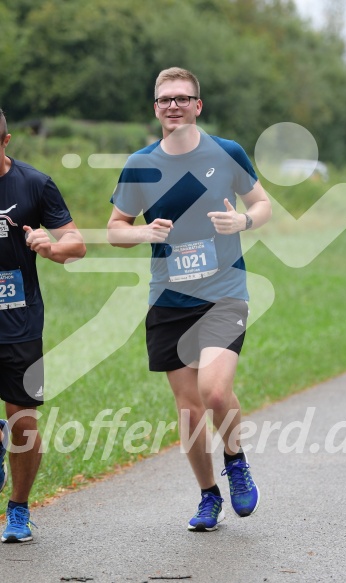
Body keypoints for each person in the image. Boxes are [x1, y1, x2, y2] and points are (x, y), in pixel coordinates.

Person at [107, 67, 272, 531]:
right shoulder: (141, 164)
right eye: (165, 99)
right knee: (190, 412)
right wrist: (144, 230)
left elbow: (262, 204)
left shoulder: (227, 152)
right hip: (169, 299)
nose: (173, 105)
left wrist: (243, 223)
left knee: (214, 391)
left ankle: (236, 461)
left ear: (198, 105)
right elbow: (116, 229)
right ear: (155, 107)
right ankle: (208, 496)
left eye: (183, 98)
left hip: (223, 295)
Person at [0, 108, 86, 542]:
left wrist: (50, 248)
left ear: (6, 141)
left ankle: (18, 509)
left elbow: (78, 245)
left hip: (19, 321)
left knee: (22, 421)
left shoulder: (34, 184)